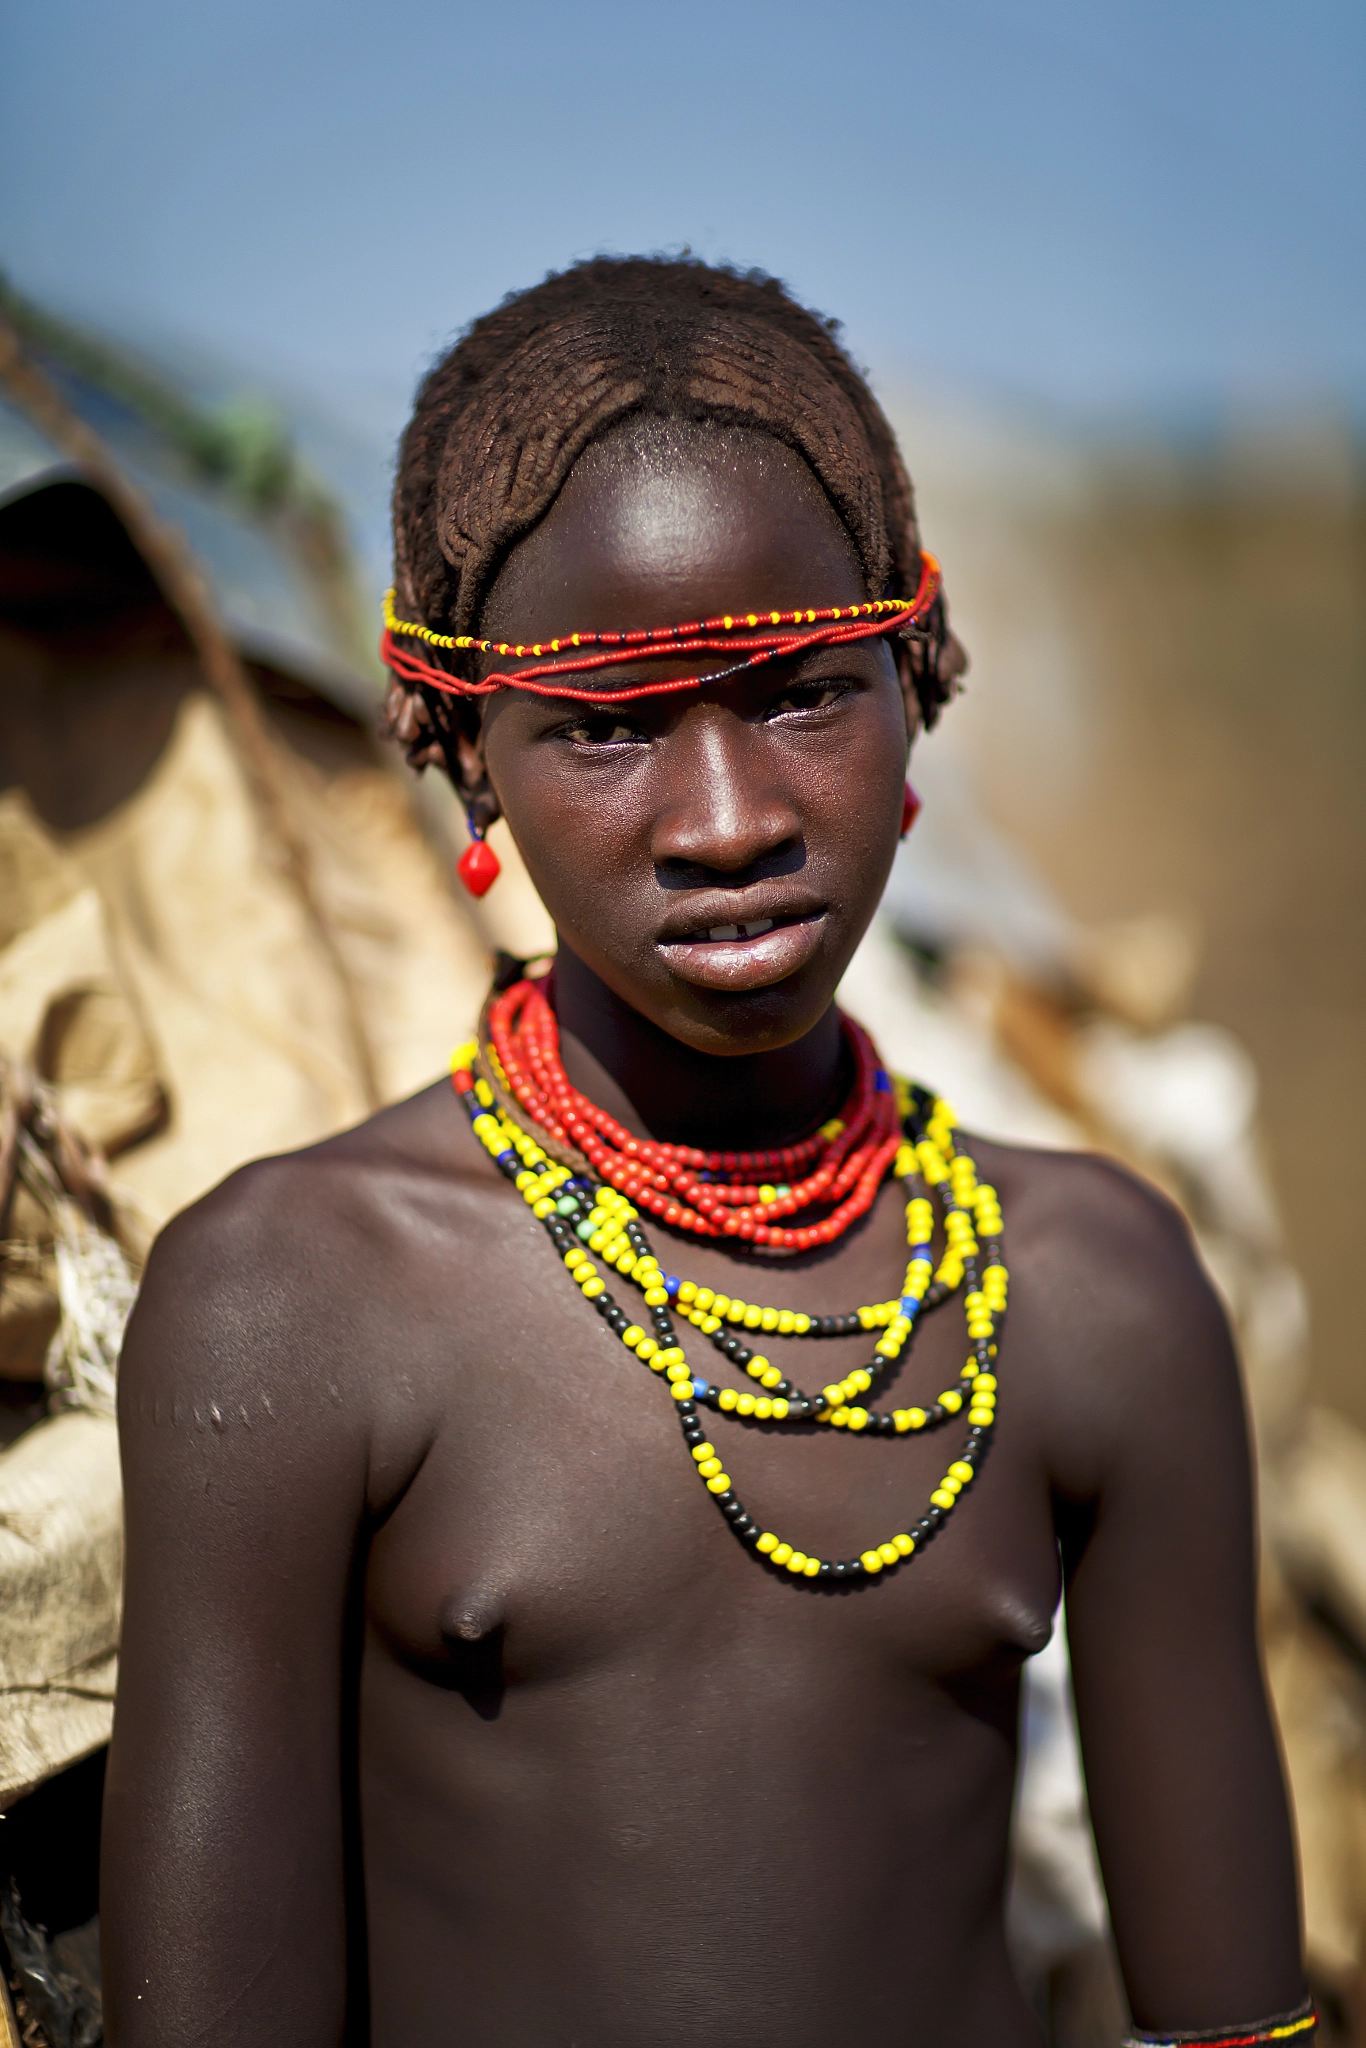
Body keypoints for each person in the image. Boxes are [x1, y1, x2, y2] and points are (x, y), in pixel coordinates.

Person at [102, 258, 1310, 2048]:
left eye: (806, 693)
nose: (728, 821)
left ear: (920, 681)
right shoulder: (298, 1300)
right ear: (463, 753)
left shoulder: (1096, 1292)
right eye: (600, 723)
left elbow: (1231, 2028)